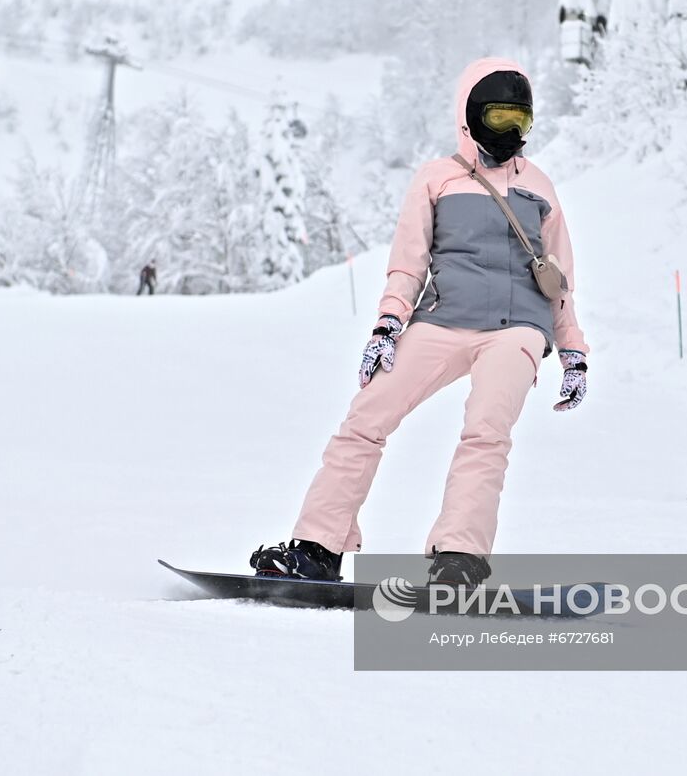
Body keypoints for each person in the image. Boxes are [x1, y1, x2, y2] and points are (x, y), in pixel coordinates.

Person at [250, 57, 590, 587]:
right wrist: (388, 325)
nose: (511, 133)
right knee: (365, 419)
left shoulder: (540, 186)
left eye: (520, 121)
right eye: (499, 118)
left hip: (517, 328)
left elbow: (561, 280)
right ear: (470, 117)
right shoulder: (437, 178)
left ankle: (458, 559)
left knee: (486, 434)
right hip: (442, 320)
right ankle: (317, 546)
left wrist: (573, 352)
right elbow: (408, 263)